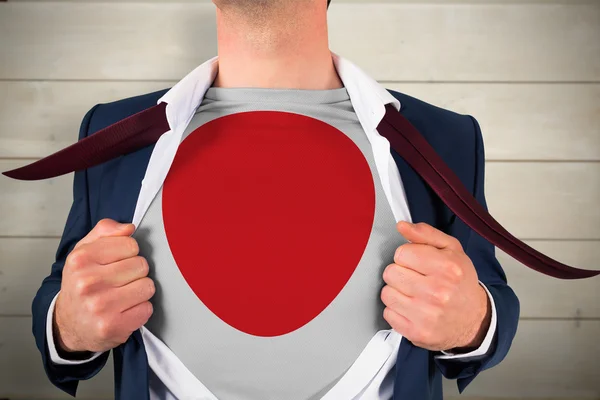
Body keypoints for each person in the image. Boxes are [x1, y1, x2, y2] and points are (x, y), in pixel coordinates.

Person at [30, 0, 520, 399]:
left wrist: (474, 321)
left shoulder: (446, 138)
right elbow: (64, 288)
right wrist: (69, 326)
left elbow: (490, 300)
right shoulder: (111, 132)